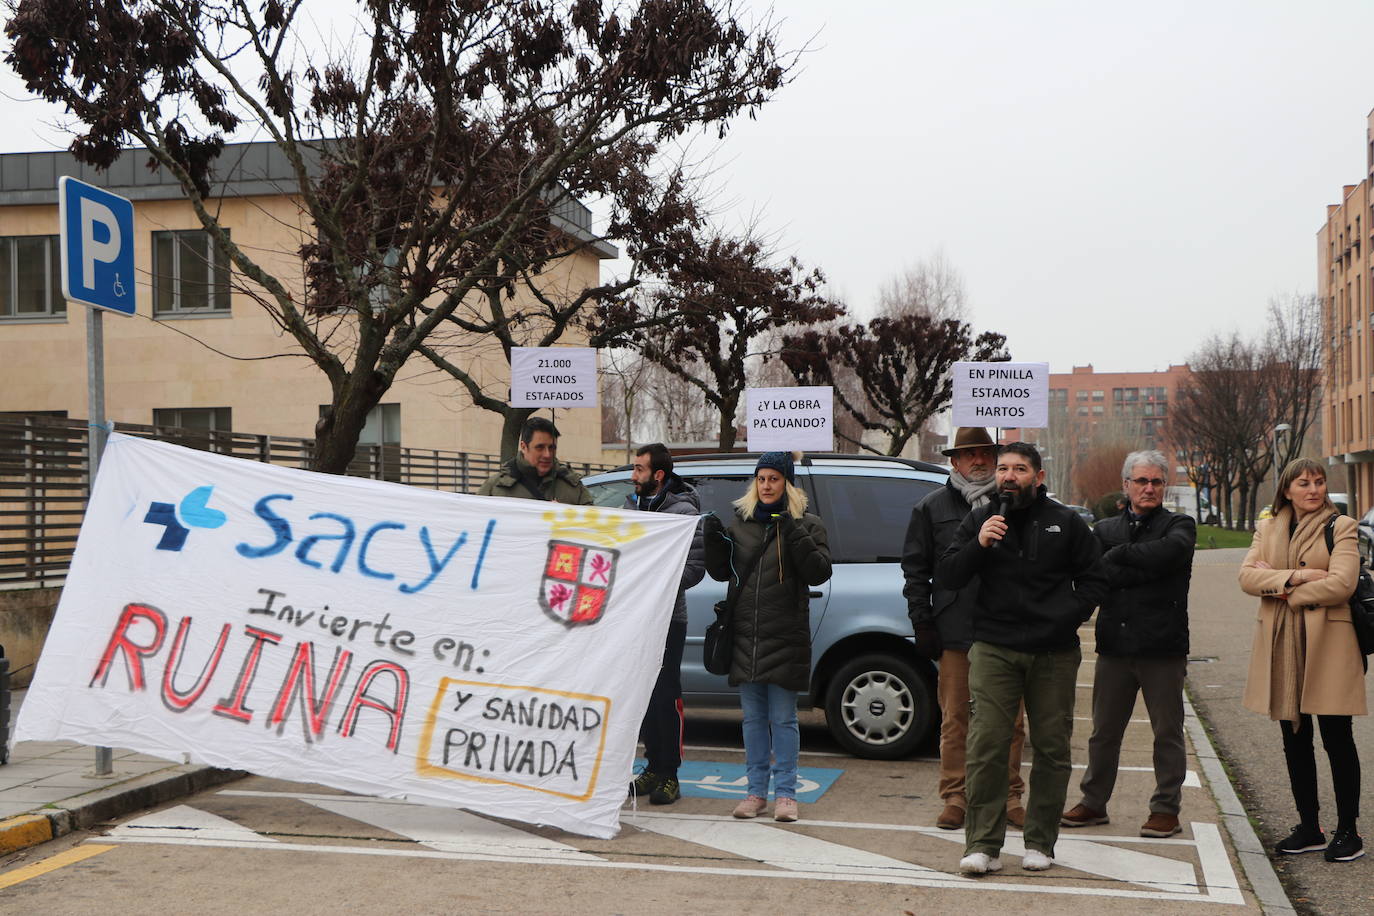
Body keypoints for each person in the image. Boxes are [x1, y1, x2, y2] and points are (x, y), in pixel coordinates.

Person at [937, 442, 1107, 876]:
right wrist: (979, 543)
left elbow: (1095, 579)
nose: (1009, 476)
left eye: (1020, 469)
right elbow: (950, 574)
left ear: (1038, 476)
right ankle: (983, 845)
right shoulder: (982, 517)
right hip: (994, 647)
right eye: (1004, 469)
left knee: (1051, 747)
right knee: (986, 745)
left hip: (1053, 652)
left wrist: (1065, 617)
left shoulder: (1065, 522)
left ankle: (1040, 842)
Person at [1062, 449, 1195, 839]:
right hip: (1115, 647)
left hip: (1163, 647)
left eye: (1156, 481)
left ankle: (1165, 809)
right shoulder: (1103, 530)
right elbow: (1097, 576)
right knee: (1104, 732)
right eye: (1141, 481)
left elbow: (1170, 554)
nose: (1149, 488)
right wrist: (1140, 567)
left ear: (1164, 485)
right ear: (1126, 485)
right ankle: (1093, 802)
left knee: (1167, 733)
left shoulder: (1180, 525)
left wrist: (1121, 558)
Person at [1239, 458, 1365, 862]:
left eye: (1319, 482)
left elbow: (1343, 584)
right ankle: (1309, 826)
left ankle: (1349, 832)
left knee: (1337, 739)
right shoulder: (1268, 526)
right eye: (1304, 483)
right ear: (1287, 489)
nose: (1313, 490)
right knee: (1295, 739)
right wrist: (1300, 576)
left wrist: (1281, 585)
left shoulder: (1340, 526)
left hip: (1329, 644)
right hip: (1283, 647)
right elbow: (1246, 577)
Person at [902, 427, 1026, 831]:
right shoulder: (930, 507)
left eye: (985, 453)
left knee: (1010, 721)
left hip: (1007, 628)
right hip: (955, 629)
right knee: (956, 719)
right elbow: (916, 571)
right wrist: (922, 620)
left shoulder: (1018, 505)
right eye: (969, 454)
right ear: (954, 461)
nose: (978, 461)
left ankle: (1009, 796)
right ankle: (955, 796)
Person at [703, 451, 831, 824]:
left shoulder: (809, 524)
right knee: (753, 719)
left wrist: (792, 529)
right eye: (761, 479)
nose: (766, 485)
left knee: (784, 719)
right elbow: (721, 572)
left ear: (787, 484)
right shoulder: (741, 524)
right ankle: (755, 792)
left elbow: (818, 571)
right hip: (746, 635)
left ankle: (787, 796)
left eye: (774, 479)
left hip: (785, 635)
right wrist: (713, 541)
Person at [625, 443, 705, 806]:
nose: (633, 475)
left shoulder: (683, 512)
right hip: (637, 619)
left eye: (639, 469)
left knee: (666, 695)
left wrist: (657, 584)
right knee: (643, 695)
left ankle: (670, 773)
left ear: (658, 475)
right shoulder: (631, 508)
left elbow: (695, 568)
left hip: (669, 619)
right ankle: (652, 767)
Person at [477, 416, 594, 504]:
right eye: (540, 447)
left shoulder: (574, 487)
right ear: (523, 447)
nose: (547, 455)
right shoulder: (495, 487)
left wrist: (565, 517)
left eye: (552, 448)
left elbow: (593, 527)